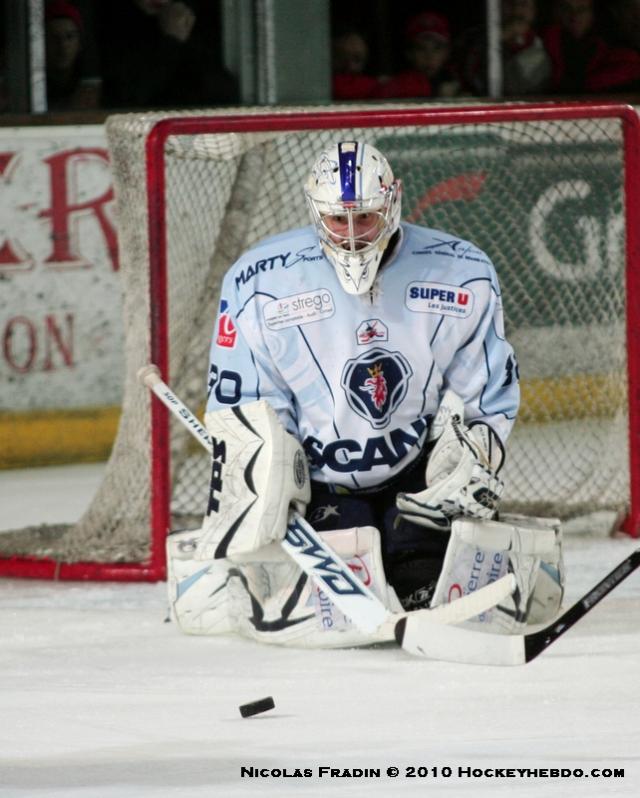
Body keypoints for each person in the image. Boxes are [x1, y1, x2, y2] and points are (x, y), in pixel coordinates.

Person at [166, 141, 564, 648]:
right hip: (318, 482)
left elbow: (485, 392)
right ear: (316, 211)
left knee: (421, 565)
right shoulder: (259, 280)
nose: (353, 236)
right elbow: (245, 400)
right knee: (343, 572)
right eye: (338, 220)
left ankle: (416, 552)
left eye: (367, 217)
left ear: (393, 202)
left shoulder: (460, 271)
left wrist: (469, 460)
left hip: (413, 475)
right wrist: (266, 480)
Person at [97, 0, 238, 109]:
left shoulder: (203, 19)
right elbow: (127, 99)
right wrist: (172, 41)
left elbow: (224, 94)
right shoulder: (113, 25)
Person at [543, 0, 640, 94]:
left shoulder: (610, 46)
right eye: (565, 8)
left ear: (592, 13)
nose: (574, 16)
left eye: (582, 9)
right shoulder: (543, 43)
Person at [457, 0, 551, 96]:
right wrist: (498, 40)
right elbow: (468, 75)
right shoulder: (473, 38)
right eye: (510, 3)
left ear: (533, 10)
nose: (517, 10)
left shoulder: (547, 40)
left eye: (523, 4)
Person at [377, 11, 461, 99]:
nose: (429, 56)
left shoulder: (457, 80)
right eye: (421, 49)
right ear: (409, 53)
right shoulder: (398, 86)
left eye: (437, 48)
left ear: (447, 52)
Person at [44, 0, 99, 110]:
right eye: (54, 38)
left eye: (69, 37)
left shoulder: (89, 82)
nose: (62, 45)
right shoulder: (35, 88)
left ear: (79, 43)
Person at [331, 29, 381, 101]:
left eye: (357, 59)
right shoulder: (327, 85)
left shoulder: (373, 87)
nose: (351, 66)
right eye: (343, 59)